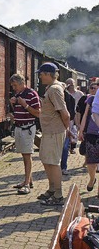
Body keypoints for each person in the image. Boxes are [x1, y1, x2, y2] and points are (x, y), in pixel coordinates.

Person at [35, 63, 70, 206]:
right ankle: (51, 189)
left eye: (41, 74)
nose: (40, 77)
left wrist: (66, 129)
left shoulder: (54, 90)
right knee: (46, 160)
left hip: (54, 132)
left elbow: (65, 114)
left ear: (48, 74)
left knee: (54, 162)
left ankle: (58, 194)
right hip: (49, 132)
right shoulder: (51, 88)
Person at [8, 74, 41, 195]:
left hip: (27, 128)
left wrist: (25, 104)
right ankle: (29, 180)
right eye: (12, 86)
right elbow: (18, 111)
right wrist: (14, 104)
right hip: (19, 127)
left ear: (22, 83)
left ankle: (26, 184)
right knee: (24, 155)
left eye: (15, 85)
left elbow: (38, 113)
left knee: (27, 156)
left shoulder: (32, 94)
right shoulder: (18, 95)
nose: (13, 88)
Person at [79, 82, 99, 193]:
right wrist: (81, 130)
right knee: (91, 162)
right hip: (91, 133)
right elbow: (85, 115)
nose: (94, 89)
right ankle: (92, 179)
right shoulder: (91, 99)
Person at [60, 86, 76, 175]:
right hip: (57, 125)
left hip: (65, 124)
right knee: (63, 147)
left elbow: (71, 114)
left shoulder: (69, 98)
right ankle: (59, 167)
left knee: (65, 147)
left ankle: (63, 167)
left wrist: (68, 127)